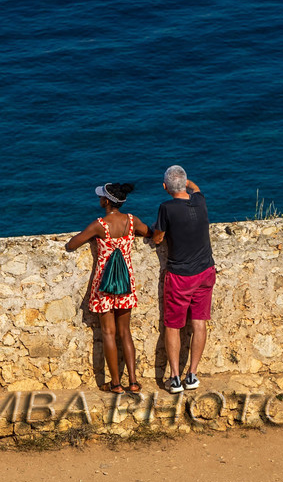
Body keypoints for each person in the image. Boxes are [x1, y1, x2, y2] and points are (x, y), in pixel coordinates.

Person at [65, 183, 158, 393]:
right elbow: (149, 233)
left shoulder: (99, 225)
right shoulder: (132, 221)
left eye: (101, 197)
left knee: (108, 332)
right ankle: (133, 382)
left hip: (104, 285)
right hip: (126, 283)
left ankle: (115, 383)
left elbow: (72, 244)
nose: (99, 200)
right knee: (125, 331)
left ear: (106, 202)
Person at [155, 165, 216, 395]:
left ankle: (174, 378)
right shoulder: (199, 201)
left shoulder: (166, 208)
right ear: (186, 183)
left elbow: (158, 238)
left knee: (173, 325)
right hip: (206, 271)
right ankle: (192, 374)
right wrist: (186, 182)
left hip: (181, 275)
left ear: (164, 187)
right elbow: (196, 188)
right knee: (199, 321)